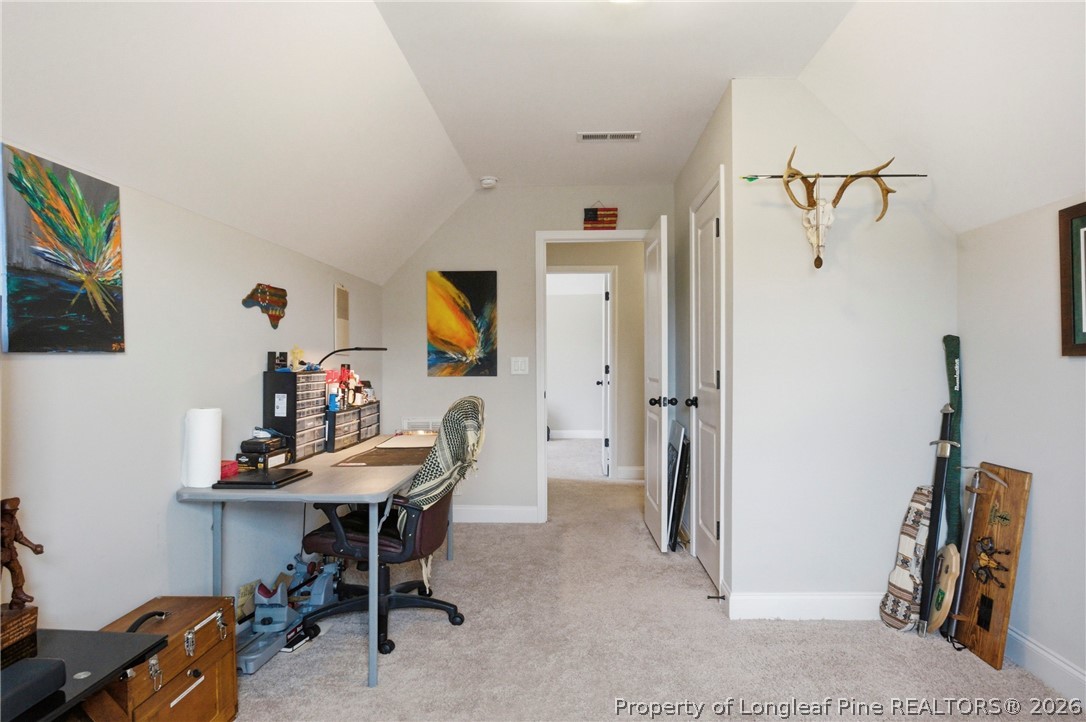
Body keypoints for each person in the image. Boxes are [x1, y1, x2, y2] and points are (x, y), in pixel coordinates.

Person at [1, 497, 44, 610]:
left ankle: (17, 596)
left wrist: (33, 547)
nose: (16, 512)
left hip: (9, 553)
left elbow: (19, 536)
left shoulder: (13, 521)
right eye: (14, 510)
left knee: (17, 570)